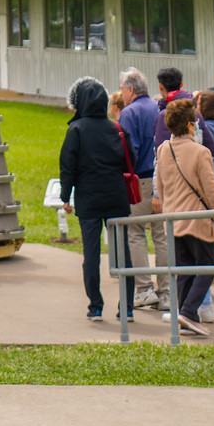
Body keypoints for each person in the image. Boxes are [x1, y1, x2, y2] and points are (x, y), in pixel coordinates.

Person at [59, 78, 131, 324]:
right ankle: (128, 306)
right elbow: (128, 158)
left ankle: (95, 306)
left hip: (88, 197)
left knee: (91, 253)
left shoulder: (76, 129)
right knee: (123, 251)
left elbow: (67, 165)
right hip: (116, 196)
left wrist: (65, 196)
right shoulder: (116, 129)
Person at [152, 95, 214, 334]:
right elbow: (211, 191)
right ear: (191, 124)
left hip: (173, 220)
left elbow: (160, 189)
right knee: (208, 266)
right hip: (197, 220)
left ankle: (184, 315)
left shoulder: (163, 150)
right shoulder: (200, 152)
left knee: (183, 270)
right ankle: (188, 312)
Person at [117, 72, 161, 311]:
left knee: (135, 232)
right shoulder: (158, 108)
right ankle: (166, 292)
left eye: (122, 89)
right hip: (161, 181)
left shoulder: (129, 113)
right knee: (161, 235)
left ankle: (144, 288)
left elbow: (127, 150)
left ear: (131, 90)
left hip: (140, 180)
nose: (122, 93)